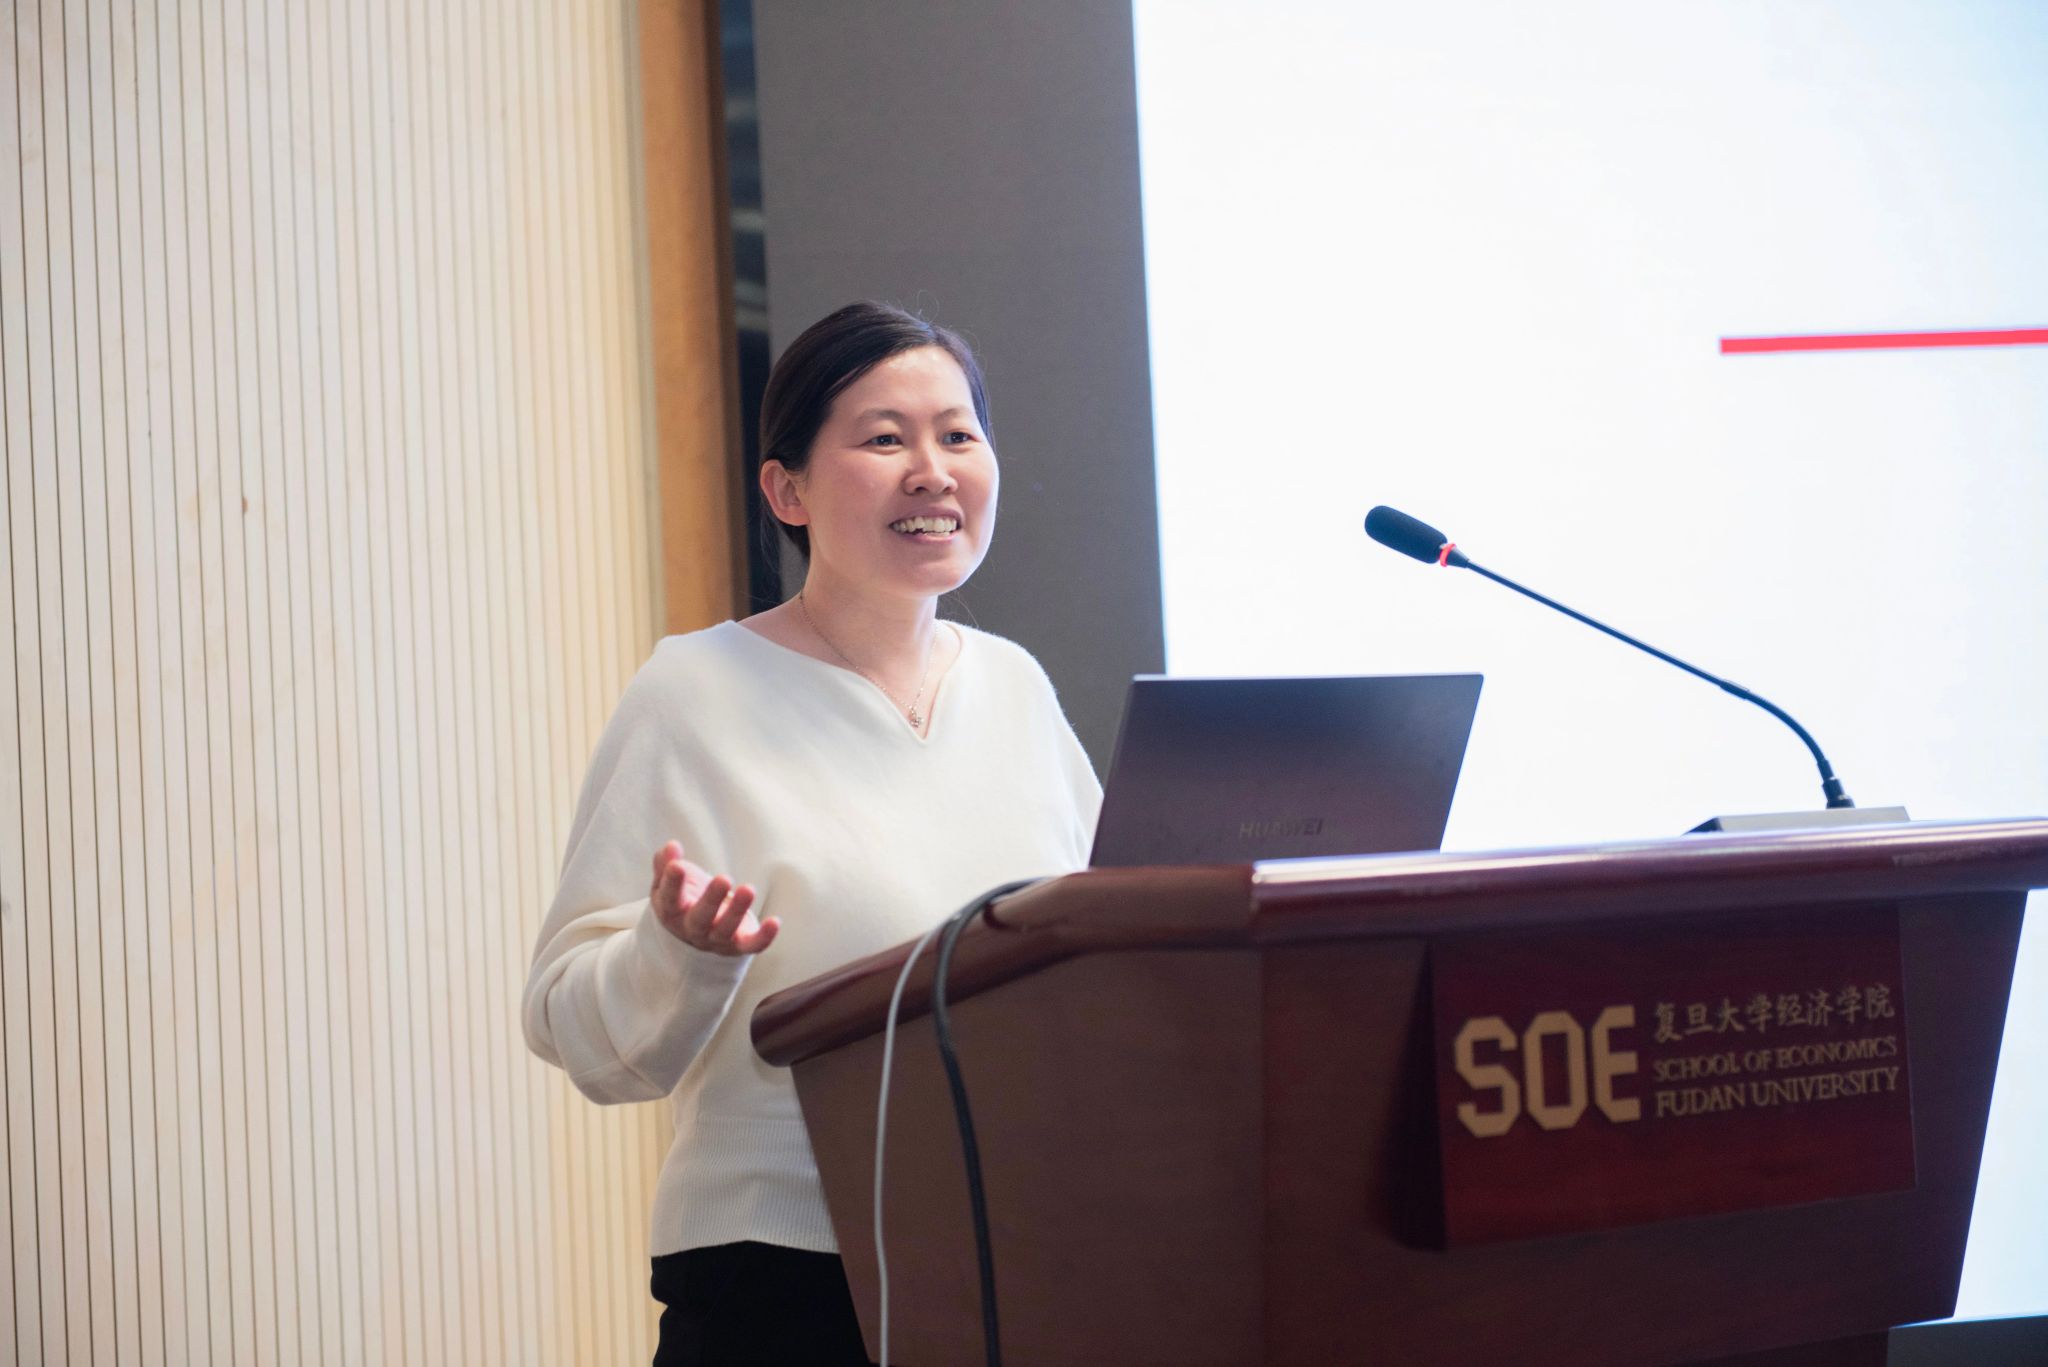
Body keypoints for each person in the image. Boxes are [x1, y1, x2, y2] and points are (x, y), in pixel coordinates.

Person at [522, 301, 1102, 1365]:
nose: (932, 471)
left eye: (957, 433)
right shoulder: (695, 690)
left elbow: (1103, 945)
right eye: (884, 438)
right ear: (786, 490)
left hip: (1015, 1258)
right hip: (784, 1277)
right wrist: (676, 954)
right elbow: (570, 1024)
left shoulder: (1014, 686)